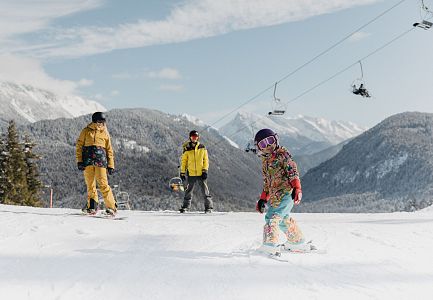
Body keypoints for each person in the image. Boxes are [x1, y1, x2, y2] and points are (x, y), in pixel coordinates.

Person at [254, 128, 310, 254]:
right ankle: (297, 242)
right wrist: (263, 198)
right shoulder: (265, 163)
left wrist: (297, 188)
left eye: (270, 140)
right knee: (283, 219)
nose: (268, 145)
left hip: (286, 193)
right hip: (275, 196)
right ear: (259, 148)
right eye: (263, 144)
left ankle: (270, 244)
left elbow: (292, 171)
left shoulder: (283, 155)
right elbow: (267, 183)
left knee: (272, 217)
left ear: (276, 139)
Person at [76, 112, 117, 216]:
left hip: (101, 162)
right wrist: (79, 161)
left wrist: (111, 165)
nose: (101, 124)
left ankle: (111, 207)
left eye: (103, 122)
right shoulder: (86, 131)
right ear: (94, 121)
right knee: (90, 184)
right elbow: (79, 146)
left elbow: (109, 150)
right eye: (99, 122)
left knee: (103, 184)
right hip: (88, 161)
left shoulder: (105, 133)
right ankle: (92, 207)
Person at [179, 130, 213, 213]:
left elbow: (206, 160)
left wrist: (205, 170)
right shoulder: (187, 148)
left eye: (195, 137)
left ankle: (208, 208)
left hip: (201, 173)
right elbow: (184, 161)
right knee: (188, 191)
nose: (194, 138)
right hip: (191, 173)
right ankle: (185, 207)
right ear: (190, 138)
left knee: (205, 191)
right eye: (192, 137)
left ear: (198, 138)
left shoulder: (202, 147)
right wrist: (182, 172)